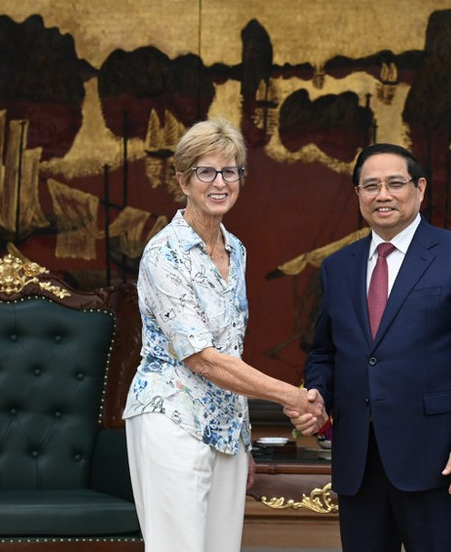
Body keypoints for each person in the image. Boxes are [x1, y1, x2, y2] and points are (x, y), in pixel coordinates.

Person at [288, 143, 451, 552]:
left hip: (440, 458)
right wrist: (317, 393)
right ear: (358, 196)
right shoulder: (339, 266)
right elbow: (324, 353)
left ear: (419, 189)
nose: (382, 195)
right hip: (359, 461)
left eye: (394, 184)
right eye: (370, 186)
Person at [123, 117, 324, 552]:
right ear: (183, 179)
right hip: (171, 417)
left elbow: (231, 347)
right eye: (206, 171)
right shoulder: (164, 253)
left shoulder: (236, 249)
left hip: (227, 429)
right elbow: (202, 357)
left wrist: (242, 440)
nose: (219, 182)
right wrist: (292, 395)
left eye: (230, 171)